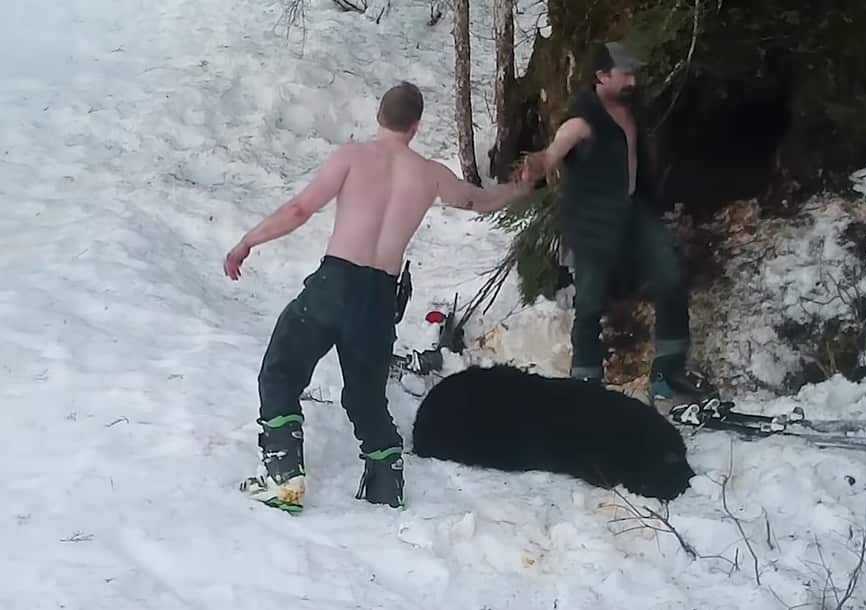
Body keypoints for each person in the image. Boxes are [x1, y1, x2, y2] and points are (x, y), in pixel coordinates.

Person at [223, 81, 532, 512]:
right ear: (416, 126)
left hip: (335, 285)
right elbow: (479, 202)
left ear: (379, 117)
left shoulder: (352, 157)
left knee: (280, 372)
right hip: (379, 298)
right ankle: (387, 483)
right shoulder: (430, 174)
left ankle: (283, 477)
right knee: (366, 395)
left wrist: (247, 242)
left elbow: (298, 210)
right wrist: (523, 187)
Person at [520, 41, 707, 402]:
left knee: (670, 276)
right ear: (601, 76)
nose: (632, 81)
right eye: (625, 74)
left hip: (635, 211)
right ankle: (585, 385)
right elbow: (554, 151)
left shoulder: (631, 110)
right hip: (593, 222)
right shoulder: (581, 121)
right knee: (590, 304)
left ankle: (668, 373)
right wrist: (537, 165)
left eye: (634, 74)